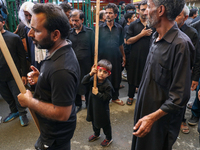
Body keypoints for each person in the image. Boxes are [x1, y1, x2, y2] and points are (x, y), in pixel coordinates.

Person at [131, 0, 195, 149]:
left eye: (148, 7)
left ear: (160, 10)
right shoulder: (155, 37)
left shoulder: (180, 45)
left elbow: (179, 97)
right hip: (144, 114)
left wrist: (152, 118)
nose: (145, 12)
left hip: (159, 123)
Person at [17, 3, 80, 150]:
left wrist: (29, 101)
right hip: (51, 132)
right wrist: (43, 79)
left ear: (55, 34)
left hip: (54, 138)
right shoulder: (59, 49)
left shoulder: (61, 69)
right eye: (30, 28)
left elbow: (62, 113)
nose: (29, 34)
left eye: (36, 30)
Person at [175, 5, 200, 134]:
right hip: (168, 72)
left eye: (178, 15)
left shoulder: (191, 33)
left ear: (185, 17)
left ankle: (181, 119)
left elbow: (196, 57)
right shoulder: (166, 29)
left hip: (184, 72)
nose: (174, 18)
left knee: (182, 98)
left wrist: (195, 78)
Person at [0, 15, 28, 126]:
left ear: (3, 22)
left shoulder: (13, 38)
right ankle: (14, 111)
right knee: (7, 96)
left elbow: (22, 57)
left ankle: (22, 114)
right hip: (1, 76)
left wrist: (24, 74)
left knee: (18, 95)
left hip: (13, 74)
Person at [125, 0, 153, 106]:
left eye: (147, 9)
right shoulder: (133, 25)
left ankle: (143, 97)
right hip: (135, 57)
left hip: (149, 57)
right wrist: (141, 34)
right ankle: (131, 96)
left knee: (147, 78)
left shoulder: (153, 24)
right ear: (138, 11)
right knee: (132, 77)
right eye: (143, 9)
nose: (145, 12)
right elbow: (127, 41)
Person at [98, 3, 126, 106]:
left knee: (116, 77)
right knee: (102, 77)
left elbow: (120, 44)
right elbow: (95, 45)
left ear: (115, 15)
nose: (108, 15)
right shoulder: (99, 28)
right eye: (106, 13)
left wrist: (123, 56)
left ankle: (115, 97)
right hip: (103, 58)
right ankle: (102, 98)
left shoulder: (119, 28)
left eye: (110, 13)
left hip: (115, 57)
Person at [81, 59, 113, 147]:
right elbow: (83, 82)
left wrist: (97, 94)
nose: (101, 73)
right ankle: (97, 134)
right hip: (92, 106)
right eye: (100, 71)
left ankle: (108, 138)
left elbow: (107, 98)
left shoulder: (108, 85)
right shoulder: (93, 79)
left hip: (102, 109)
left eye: (104, 72)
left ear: (108, 74)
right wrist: (91, 73)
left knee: (105, 124)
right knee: (94, 121)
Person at [68, 9, 94, 113]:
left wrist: (94, 64)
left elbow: (94, 50)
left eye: (77, 20)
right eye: (72, 20)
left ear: (82, 20)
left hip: (87, 65)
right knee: (75, 85)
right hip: (73, 66)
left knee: (88, 84)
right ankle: (77, 104)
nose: (74, 23)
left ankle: (89, 104)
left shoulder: (90, 33)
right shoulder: (69, 34)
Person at [18, 1, 46, 71]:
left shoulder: (43, 25)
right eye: (26, 15)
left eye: (30, 15)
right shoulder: (26, 27)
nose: (29, 18)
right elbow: (27, 44)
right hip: (34, 55)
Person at [122, 11, 137, 81]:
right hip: (128, 51)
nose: (136, 18)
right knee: (130, 69)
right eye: (134, 17)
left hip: (131, 51)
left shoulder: (132, 26)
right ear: (129, 19)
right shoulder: (127, 28)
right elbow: (126, 41)